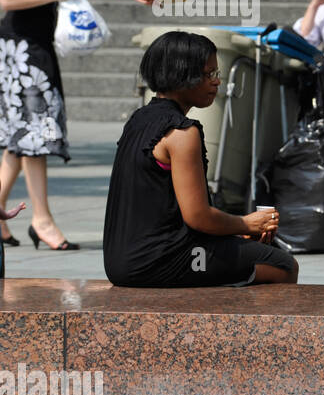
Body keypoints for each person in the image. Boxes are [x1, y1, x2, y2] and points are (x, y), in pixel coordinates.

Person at [0, 0, 151, 251]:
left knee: (22, 138)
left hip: (37, 48)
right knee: (35, 134)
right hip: (20, 52)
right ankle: (42, 220)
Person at [103, 31, 298, 287]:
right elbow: (198, 217)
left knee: (245, 253)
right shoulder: (183, 132)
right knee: (281, 264)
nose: (216, 82)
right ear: (182, 75)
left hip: (120, 262)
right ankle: (243, 327)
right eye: (209, 75)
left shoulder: (138, 119)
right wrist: (246, 223)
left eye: (216, 74)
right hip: (162, 262)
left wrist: (235, 230)